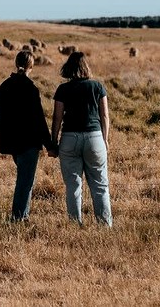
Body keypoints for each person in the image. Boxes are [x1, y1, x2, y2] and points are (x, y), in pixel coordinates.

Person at [51, 51, 112, 226]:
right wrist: (105, 139)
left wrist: (54, 141)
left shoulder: (63, 89)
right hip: (94, 137)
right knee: (100, 185)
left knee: (73, 185)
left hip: (69, 138)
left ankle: (74, 225)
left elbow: (57, 118)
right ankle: (104, 225)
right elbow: (105, 116)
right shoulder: (97, 87)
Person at [0, 50, 55, 221]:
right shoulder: (30, 88)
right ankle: (19, 218)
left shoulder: (4, 86)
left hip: (12, 141)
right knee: (25, 181)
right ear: (32, 66)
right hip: (29, 142)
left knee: (24, 178)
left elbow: (3, 116)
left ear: (16, 63)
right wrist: (50, 145)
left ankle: (22, 215)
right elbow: (39, 120)